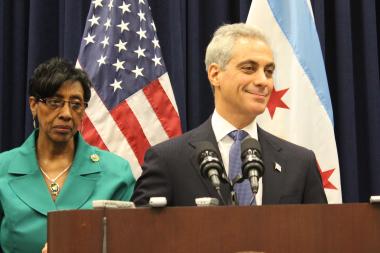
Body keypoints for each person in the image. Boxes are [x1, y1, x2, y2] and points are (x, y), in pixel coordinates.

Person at [132, 23, 327, 206]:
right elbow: (142, 236)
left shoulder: (300, 163)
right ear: (215, 74)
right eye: (249, 69)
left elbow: (320, 237)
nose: (263, 81)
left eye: (268, 71)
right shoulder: (168, 160)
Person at [0, 58, 136, 253]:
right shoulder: (3, 169)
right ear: (33, 105)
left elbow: (131, 245)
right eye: (55, 102)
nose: (66, 113)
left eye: (76, 104)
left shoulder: (116, 173)